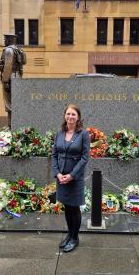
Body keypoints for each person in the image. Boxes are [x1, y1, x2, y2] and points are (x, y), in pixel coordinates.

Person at [52, 104, 90, 253]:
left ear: (78, 117)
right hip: (61, 177)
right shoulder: (60, 132)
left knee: (74, 208)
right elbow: (54, 155)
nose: (70, 117)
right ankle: (69, 234)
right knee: (67, 207)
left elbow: (85, 157)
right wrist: (58, 173)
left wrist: (72, 175)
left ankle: (75, 238)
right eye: (68, 114)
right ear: (64, 116)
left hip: (75, 178)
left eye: (73, 114)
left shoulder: (83, 134)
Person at [0, 34, 26, 128]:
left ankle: (11, 126)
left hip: (10, 78)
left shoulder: (9, 50)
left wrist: (5, 81)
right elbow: (25, 61)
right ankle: (14, 125)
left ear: (10, 40)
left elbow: (8, 66)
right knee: (15, 102)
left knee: (9, 103)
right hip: (17, 77)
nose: (4, 40)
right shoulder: (19, 50)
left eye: (5, 39)